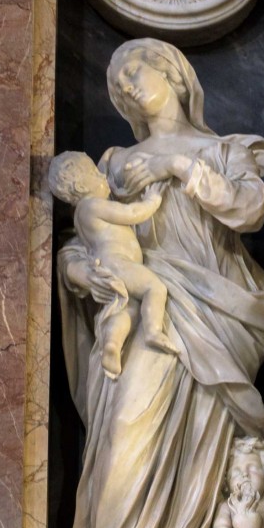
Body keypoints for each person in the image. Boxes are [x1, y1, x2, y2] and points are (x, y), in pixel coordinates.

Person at [57, 38, 264, 528]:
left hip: (214, 313)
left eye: (137, 69)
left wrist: (178, 165)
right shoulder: (114, 164)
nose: (128, 84)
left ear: (176, 75)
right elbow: (83, 239)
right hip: (144, 304)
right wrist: (79, 274)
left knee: (199, 453)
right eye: (117, 83)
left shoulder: (226, 151)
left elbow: (249, 209)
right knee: (123, 430)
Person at [48, 151, 178, 380]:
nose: (102, 176)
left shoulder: (80, 217)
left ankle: (112, 345)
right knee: (155, 289)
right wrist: (152, 201)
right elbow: (132, 213)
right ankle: (153, 331)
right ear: (80, 185)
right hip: (119, 264)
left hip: (108, 266)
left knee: (127, 308)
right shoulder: (93, 206)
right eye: (95, 173)